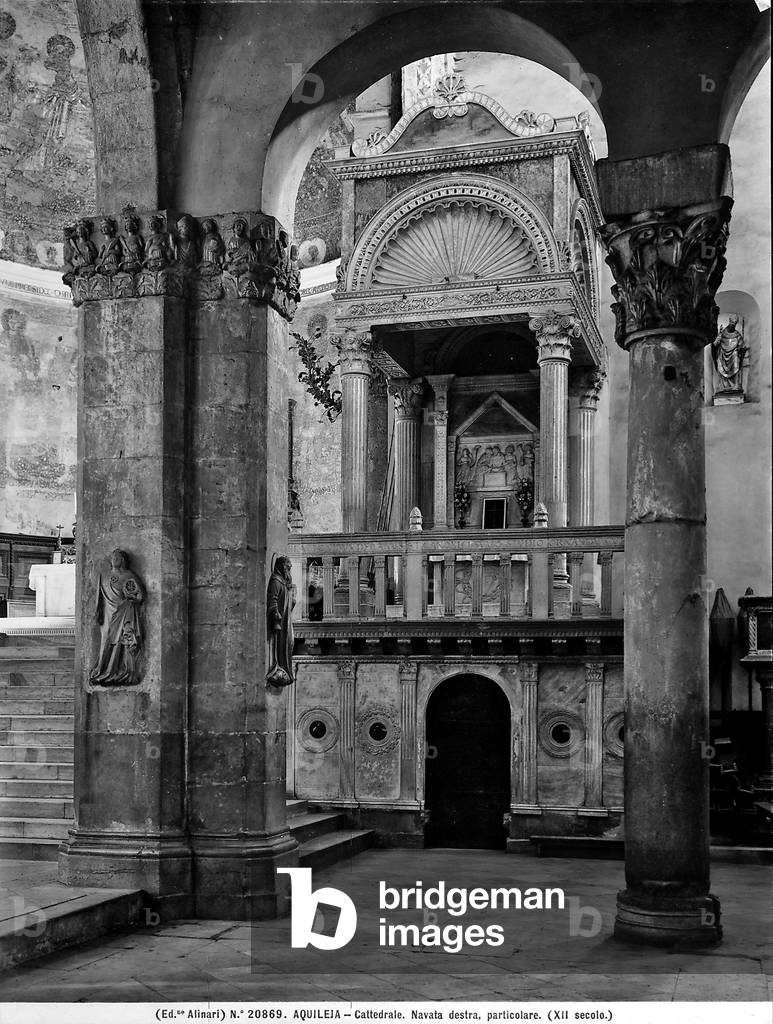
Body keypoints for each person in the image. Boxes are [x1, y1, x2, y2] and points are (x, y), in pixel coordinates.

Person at [90, 549, 144, 685]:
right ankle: (102, 669)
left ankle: (120, 670)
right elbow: (99, 597)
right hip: (108, 612)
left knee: (122, 641)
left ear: (123, 560)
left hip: (124, 611)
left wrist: (132, 597)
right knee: (106, 639)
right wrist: (98, 612)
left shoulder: (128, 575)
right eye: (113, 557)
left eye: (117, 558)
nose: (114, 560)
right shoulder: (104, 575)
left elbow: (140, 596)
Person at [266, 555, 295, 687]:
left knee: (289, 643)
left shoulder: (283, 582)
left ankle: (284, 669)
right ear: (281, 566)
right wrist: (276, 613)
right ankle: (277, 667)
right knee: (280, 644)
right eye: (287, 567)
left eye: (289, 567)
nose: (288, 570)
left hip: (286, 621)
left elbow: (288, 600)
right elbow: (273, 599)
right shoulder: (276, 581)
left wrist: (292, 599)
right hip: (280, 622)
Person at [712, 313, 746, 392]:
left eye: (734, 324)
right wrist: (719, 336)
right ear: (729, 322)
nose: (732, 325)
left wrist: (741, 349)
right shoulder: (722, 333)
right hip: (722, 354)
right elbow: (714, 344)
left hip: (734, 355)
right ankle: (724, 386)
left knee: (736, 360)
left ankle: (735, 385)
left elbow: (742, 345)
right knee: (719, 363)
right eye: (731, 323)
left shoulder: (737, 335)